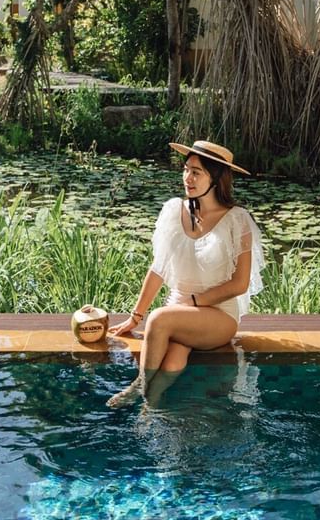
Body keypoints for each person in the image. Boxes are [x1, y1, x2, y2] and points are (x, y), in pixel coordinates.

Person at [106, 140, 264, 407]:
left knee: (158, 320)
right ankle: (151, 405)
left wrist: (193, 303)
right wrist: (135, 317)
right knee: (174, 356)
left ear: (216, 178)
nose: (187, 178)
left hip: (218, 315)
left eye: (196, 172)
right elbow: (158, 269)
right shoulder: (172, 210)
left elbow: (239, 284)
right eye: (186, 169)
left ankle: (138, 386)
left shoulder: (237, 219)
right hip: (179, 313)